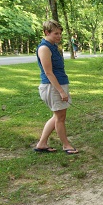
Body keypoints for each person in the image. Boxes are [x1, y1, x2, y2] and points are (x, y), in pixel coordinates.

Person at [34, 20, 79, 155]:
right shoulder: (44, 48)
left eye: (60, 33)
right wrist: (60, 91)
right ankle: (66, 145)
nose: (59, 36)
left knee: (57, 116)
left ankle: (42, 144)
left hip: (59, 84)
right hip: (52, 87)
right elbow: (48, 72)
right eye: (56, 33)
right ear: (46, 32)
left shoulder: (53, 46)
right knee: (60, 118)